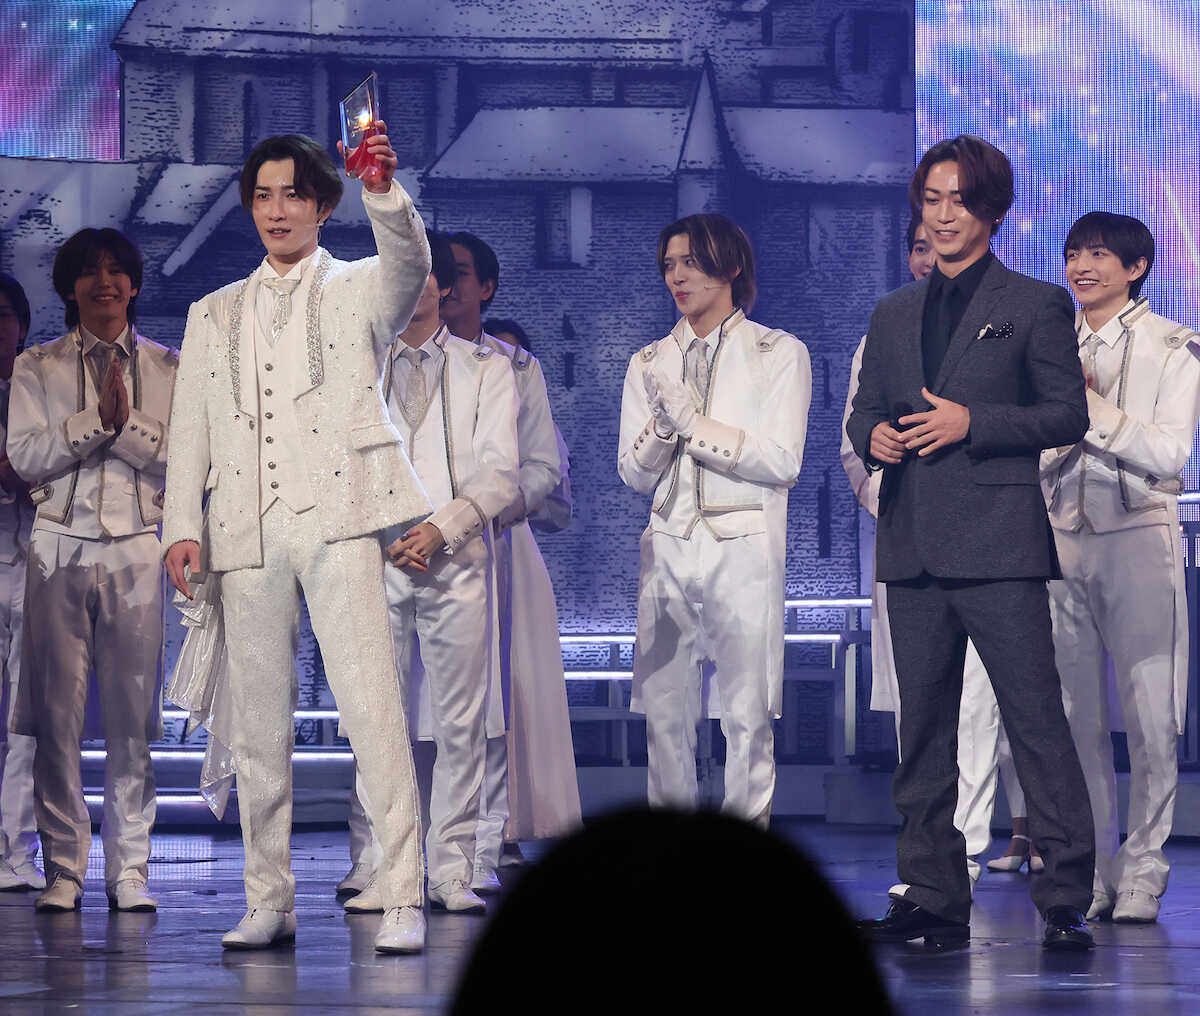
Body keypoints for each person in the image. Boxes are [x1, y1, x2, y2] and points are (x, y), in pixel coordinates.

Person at [161, 131, 432, 953]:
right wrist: (181, 526)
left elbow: (412, 267)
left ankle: (404, 893)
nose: (276, 210)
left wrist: (384, 187)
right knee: (258, 723)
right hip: (244, 525)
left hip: (338, 515)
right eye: (263, 196)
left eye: (292, 195)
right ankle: (267, 898)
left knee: (371, 707)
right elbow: (192, 430)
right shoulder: (215, 312)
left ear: (320, 204)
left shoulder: (358, 290)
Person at [846, 134, 1095, 951]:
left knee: (1035, 723)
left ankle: (1063, 895)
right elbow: (865, 410)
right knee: (922, 728)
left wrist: (972, 422)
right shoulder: (892, 311)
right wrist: (875, 433)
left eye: (959, 199)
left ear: (991, 208)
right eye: (931, 198)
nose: (943, 214)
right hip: (912, 541)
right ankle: (930, 891)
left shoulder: (1033, 303)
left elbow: (1067, 415)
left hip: (999, 543)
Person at [840, 218, 1040, 895]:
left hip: (988, 541)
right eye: (919, 248)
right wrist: (886, 478)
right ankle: (927, 863)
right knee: (921, 711)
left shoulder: (1009, 324)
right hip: (908, 540)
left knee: (981, 705)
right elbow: (855, 435)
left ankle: (969, 847)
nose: (931, 258)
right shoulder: (885, 332)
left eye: (941, 245)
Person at [341, 229, 518, 917]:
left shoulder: (488, 368)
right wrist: (385, 532)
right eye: (398, 276)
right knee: (375, 719)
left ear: (443, 287)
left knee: (460, 724)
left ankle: (452, 869)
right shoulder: (360, 371)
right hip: (375, 558)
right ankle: (386, 867)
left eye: (423, 278)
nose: (411, 291)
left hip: (458, 559)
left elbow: (500, 471)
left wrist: (440, 529)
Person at [617, 212, 812, 828]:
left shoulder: (777, 352)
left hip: (743, 544)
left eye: (691, 262)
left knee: (747, 714)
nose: (678, 276)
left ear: (730, 267)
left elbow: (780, 460)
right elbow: (632, 472)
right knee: (665, 714)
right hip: (668, 545)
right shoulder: (649, 360)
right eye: (669, 265)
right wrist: (663, 425)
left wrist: (694, 426)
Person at [8, 230, 175, 913]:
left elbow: (185, 459)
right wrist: (90, 423)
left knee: (135, 720)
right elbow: (23, 457)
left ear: (133, 285)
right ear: (70, 288)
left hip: (137, 546)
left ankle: (129, 867)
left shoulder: (169, 366)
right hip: (57, 545)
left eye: (115, 273)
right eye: (88, 273)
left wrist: (125, 424)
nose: (103, 283)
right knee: (57, 718)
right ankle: (65, 869)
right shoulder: (35, 366)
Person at [1042, 212, 1200, 923]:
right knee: (1074, 718)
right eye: (1074, 253)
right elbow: (1034, 445)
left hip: (1138, 532)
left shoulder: (1175, 346)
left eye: (1098, 254)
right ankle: (1095, 868)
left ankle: (1144, 869)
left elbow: (1170, 455)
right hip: (1057, 537)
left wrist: (1086, 407)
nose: (1081, 266)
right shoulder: (1049, 343)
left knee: (1151, 715)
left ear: (1135, 267)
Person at [443, 232, 579, 890]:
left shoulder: (516, 368)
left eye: (460, 274)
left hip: (498, 543)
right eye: (436, 274)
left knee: (502, 692)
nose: (446, 287)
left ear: (486, 287)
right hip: (421, 552)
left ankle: (495, 833)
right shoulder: (404, 360)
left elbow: (544, 471)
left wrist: (485, 509)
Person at [0, 273, 42, 893]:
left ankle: (16, 854)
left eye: (4, 313)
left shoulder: (41, 389)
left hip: (33, 558)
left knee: (24, 719)